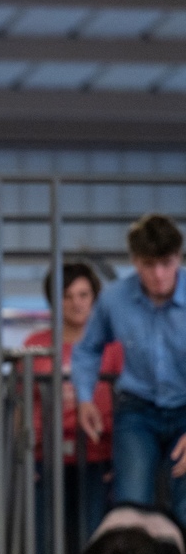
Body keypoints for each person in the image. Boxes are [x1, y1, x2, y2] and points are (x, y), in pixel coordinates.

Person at [25, 262, 123, 554]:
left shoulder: (113, 349)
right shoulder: (35, 345)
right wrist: (25, 451)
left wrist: (117, 455)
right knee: (46, 553)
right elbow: (23, 406)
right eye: (67, 296)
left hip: (98, 461)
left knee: (94, 550)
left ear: (95, 299)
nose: (77, 303)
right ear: (55, 301)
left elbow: (123, 404)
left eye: (84, 295)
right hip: (46, 463)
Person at [73, 213, 186, 528]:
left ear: (178, 258)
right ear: (135, 262)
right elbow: (87, 349)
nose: (160, 274)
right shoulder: (114, 299)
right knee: (131, 506)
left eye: (167, 263)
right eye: (150, 265)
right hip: (137, 409)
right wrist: (85, 398)